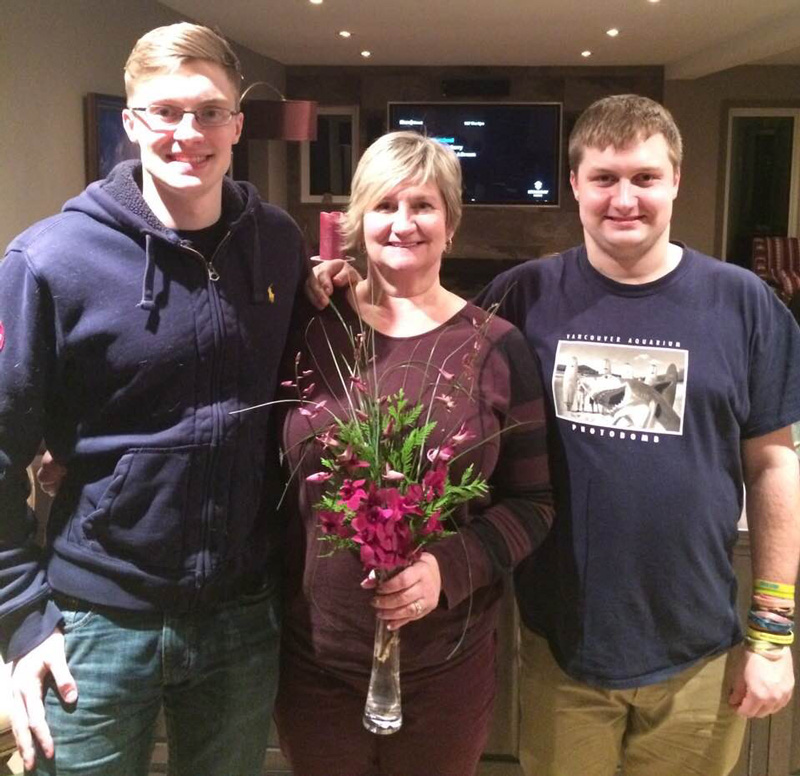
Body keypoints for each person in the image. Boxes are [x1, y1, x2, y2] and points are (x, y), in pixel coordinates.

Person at [309, 96, 800, 776]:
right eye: (604, 178)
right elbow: (419, 354)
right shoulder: (521, 296)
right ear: (574, 185)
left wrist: (773, 634)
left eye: (645, 178)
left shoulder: (745, 303)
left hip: (699, 651)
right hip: (559, 648)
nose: (623, 199)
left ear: (676, 180)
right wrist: (340, 283)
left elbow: (774, 465)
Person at [0, 23, 306, 776]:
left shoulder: (278, 244)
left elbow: (305, 389)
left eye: (209, 112)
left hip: (240, 615)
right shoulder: (49, 261)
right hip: (94, 625)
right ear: (131, 123)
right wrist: (19, 619)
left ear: (237, 122)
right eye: (164, 112)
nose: (187, 133)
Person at [273, 131, 554, 776]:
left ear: (450, 224)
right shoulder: (309, 328)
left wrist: (449, 567)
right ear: (357, 222)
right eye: (384, 205)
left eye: (424, 206)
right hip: (316, 658)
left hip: (444, 667)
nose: (403, 224)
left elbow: (534, 503)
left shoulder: (495, 346)